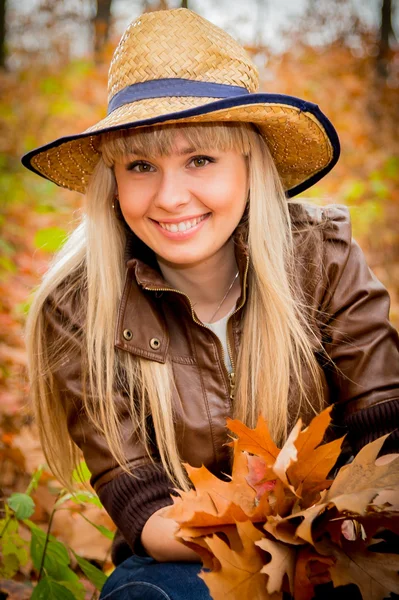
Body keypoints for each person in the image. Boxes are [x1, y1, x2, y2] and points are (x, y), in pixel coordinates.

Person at [22, 8, 399, 600]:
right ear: (112, 179)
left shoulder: (321, 257)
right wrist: (279, 534)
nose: (171, 197)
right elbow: (143, 507)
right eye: (141, 166)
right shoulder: (80, 308)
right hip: (186, 563)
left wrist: (331, 535)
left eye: (201, 159)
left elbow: (386, 429)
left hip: (346, 545)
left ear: (252, 164)